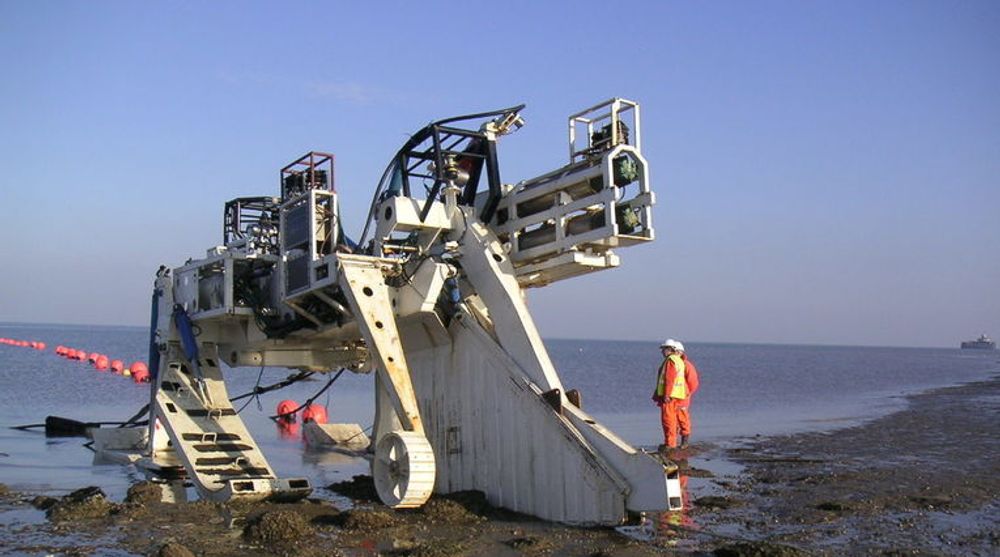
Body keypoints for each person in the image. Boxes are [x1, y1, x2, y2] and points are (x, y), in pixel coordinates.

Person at [652, 339, 700, 449]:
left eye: (664, 349)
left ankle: (672, 444)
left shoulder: (674, 361)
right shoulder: (679, 362)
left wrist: (668, 394)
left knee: (670, 421)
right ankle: (676, 443)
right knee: (675, 421)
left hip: (676, 397)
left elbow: (670, 379)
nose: (662, 352)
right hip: (678, 396)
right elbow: (665, 379)